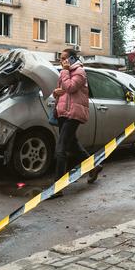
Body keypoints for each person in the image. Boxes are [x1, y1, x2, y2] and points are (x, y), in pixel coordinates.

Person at [51, 49, 102, 198]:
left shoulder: (80, 72)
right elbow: (64, 91)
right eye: (61, 59)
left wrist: (65, 72)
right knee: (73, 144)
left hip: (74, 114)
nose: (62, 61)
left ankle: (58, 187)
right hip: (63, 113)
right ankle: (94, 167)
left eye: (65, 58)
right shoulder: (65, 72)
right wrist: (56, 92)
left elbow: (71, 87)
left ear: (73, 58)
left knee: (60, 149)